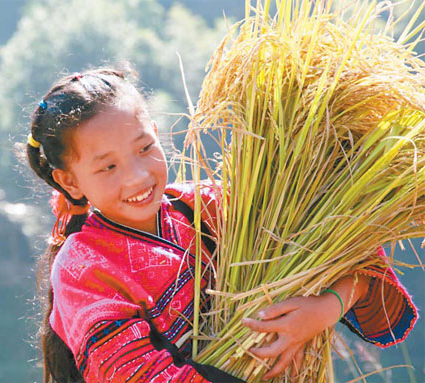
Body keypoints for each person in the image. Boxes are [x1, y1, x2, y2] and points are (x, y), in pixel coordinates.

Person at [26, 65, 417, 383]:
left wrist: (325, 309)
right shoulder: (84, 269)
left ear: (158, 135)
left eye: (145, 148)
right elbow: (135, 373)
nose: (137, 176)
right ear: (70, 181)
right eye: (108, 166)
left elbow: (346, 253)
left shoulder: (208, 205)